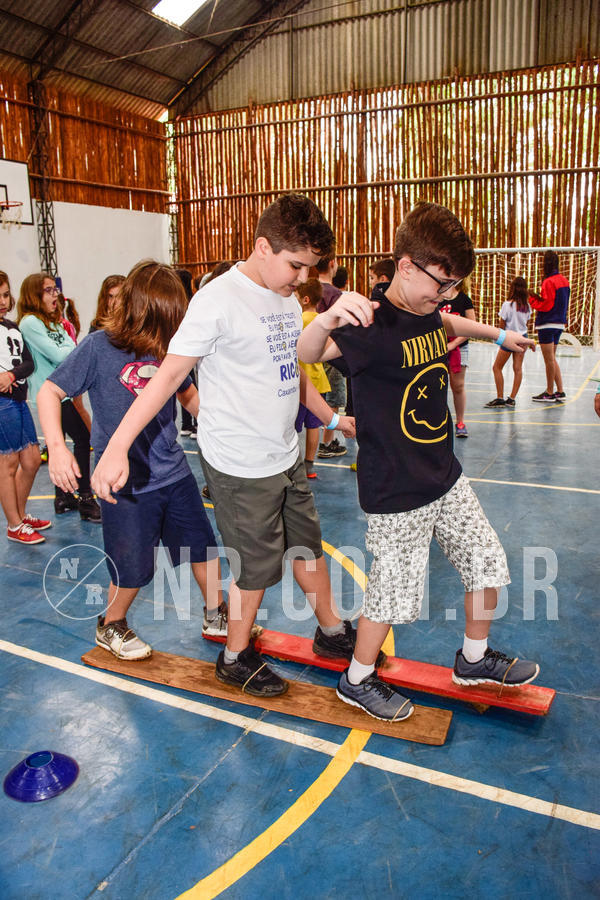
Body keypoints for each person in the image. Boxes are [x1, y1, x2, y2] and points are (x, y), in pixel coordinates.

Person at [91, 194, 365, 698]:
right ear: (263, 247)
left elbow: (292, 371)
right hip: (240, 464)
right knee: (256, 567)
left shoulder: (284, 297)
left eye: (308, 268)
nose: (301, 278)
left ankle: (330, 633)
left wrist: (332, 418)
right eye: (295, 265)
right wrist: (114, 447)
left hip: (283, 455)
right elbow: (167, 376)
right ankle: (235, 656)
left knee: (306, 544)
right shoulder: (216, 300)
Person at [297, 201, 539, 722]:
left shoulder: (431, 311)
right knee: (391, 596)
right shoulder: (367, 323)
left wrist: (499, 335)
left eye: (452, 286)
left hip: (444, 476)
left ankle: (473, 660)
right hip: (396, 488)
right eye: (440, 282)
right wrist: (326, 318)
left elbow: (451, 321)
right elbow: (309, 352)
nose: (445, 295)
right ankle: (356, 679)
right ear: (406, 266)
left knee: (485, 560)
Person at [37, 261, 231, 660]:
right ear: (140, 310)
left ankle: (216, 613)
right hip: (124, 482)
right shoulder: (97, 347)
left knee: (203, 548)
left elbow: (187, 395)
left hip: (173, 471)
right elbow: (49, 391)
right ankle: (111, 625)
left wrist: (221, 423)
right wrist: (56, 447)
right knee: (130, 568)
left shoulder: (166, 347)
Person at [17, 273, 101, 522]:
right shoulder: (30, 322)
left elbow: (71, 350)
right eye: (49, 290)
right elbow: (62, 354)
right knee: (82, 438)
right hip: (50, 394)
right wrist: (71, 351)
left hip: (64, 392)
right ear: (35, 294)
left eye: (55, 289)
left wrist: (71, 350)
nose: (56, 295)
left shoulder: (54, 322)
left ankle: (64, 496)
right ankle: (85, 497)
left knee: (66, 443)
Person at [0, 271, 51, 544]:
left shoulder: (12, 328)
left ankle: (20, 513)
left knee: (31, 460)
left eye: (5, 294)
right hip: (1, 405)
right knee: (6, 463)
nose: (2, 301)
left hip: (18, 399)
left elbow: (28, 364)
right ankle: (13, 524)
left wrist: (10, 375)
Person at [295, 278, 330, 479]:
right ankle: (309, 464)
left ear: (305, 299)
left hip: (302, 382)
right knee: (313, 425)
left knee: (292, 427)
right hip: (319, 380)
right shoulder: (321, 320)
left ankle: (292, 464)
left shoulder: (300, 319)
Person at [315, 255, 346, 458]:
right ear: (332, 264)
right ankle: (327, 441)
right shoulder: (335, 294)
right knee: (334, 397)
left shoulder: (308, 290)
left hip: (312, 355)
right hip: (331, 354)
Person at [484, 277, 532, 407]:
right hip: (522, 338)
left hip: (509, 338)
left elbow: (502, 324)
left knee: (497, 367)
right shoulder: (527, 306)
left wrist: (499, 339)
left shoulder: (507, 305)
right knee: (518, 368)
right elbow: (526, 322)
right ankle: (512, 399)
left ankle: (500, 398)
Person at [438, 277, 477, 438]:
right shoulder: (437, 298)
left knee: (457, 385)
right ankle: (437, 421)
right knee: (436, 385)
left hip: (459, 347)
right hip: (437, 347)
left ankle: (460, 421)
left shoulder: (463, 300)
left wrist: (453, 345)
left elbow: (471, 326)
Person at [530, 250, 570, 402]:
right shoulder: (564, 280)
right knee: (552, 358)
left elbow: (546, 305)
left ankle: (549, 392)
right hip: (559, 323)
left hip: (547, 324)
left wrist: (531, 300)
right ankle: (560, 391)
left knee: (548, 360)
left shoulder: (548, 281)